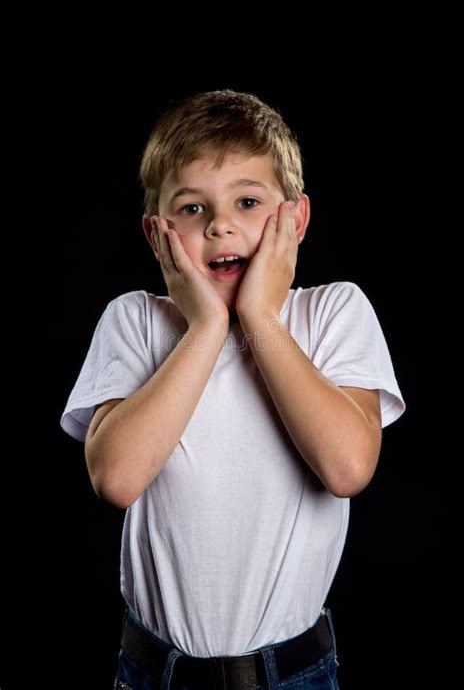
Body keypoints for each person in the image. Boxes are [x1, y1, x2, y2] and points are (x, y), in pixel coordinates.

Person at [60, 89, 405, 690]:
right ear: (156, 233)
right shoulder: (136, 320)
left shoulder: (331, 313)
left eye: (248, 201)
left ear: (294, 219)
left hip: (291, 675)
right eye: (192, 209)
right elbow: (115, 478)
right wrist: (208, 326)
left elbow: (347, 467)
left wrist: (262, 319)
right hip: (153, 672)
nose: (220, 224)